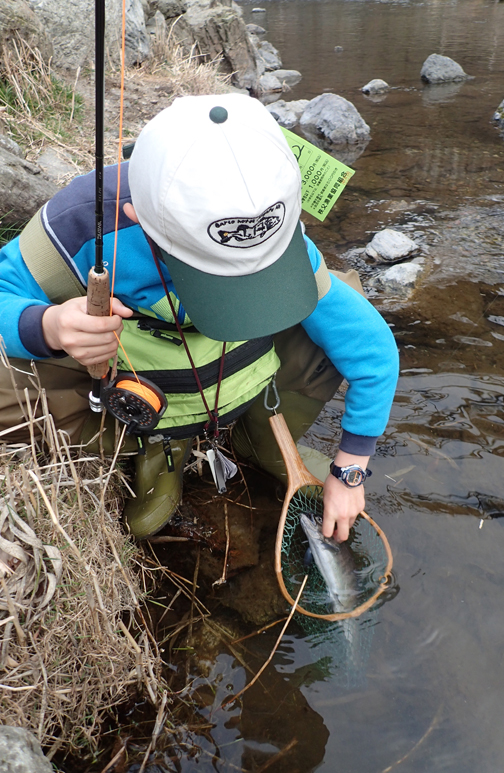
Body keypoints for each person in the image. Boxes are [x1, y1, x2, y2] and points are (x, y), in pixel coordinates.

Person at [0, 93, 399, 542]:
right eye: (214, 276)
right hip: (146, 383)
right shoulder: (79, 224)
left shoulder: (272, 219)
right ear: (138, 218)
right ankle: (161, 445)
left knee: (338, 302)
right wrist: (48, 326)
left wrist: (351, 467)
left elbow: (372, 349)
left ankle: (262, 440)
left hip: (240, 371)